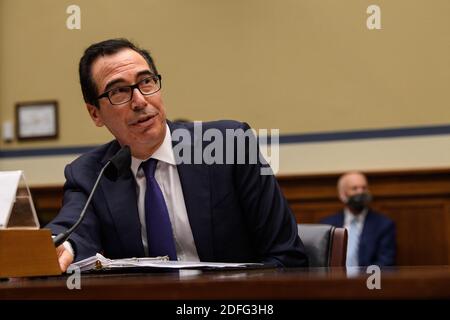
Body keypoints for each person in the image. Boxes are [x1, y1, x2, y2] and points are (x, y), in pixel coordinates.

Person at [47, 38, 308, 271]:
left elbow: (286, 256)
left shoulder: (229, 145)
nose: (139, 101)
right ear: (95, 113)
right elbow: (73, 228)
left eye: (146, 82)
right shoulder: (89, 172)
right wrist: (60, 247)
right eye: (118, 91)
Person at [321, 171, 396, 267]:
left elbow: (386, 263)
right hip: (335, 280)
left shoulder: (384, 225)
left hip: (369, 280)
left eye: (364, 188)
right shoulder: (327, 225)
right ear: (342, 195)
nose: (360, 192)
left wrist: (364, 281)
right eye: (354, 188)